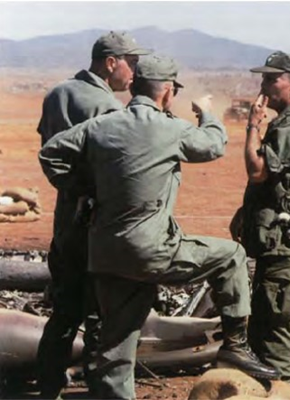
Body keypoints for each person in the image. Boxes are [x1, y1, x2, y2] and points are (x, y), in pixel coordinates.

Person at [39, 55, 279, 400]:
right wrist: (205, 112)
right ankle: (235, 345)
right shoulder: (168, 129)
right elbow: (213, 143)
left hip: (106, 253)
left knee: (117, 344)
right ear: (167, 92)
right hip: (153, 250)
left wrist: (86, 188)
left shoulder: (101, 125)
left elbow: (50, 153)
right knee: (232, 255)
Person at [36, 31, 150, 399]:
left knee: (64, 312)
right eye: (130, 63)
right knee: (103, 313)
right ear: (110, 62)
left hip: (66, 219)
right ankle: (102, 389)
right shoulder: (111, 109)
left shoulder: (58, 94)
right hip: (97, 223)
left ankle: (49, 386)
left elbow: (50, 152)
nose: (134, 71)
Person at [231, 51, 290, 388]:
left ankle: (283, 389)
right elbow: (277, 183)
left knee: (273, 322)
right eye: (264, 78)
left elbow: (257, 170)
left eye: (273, 79)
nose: (264, 85)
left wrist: (252, 125)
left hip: (285, 240)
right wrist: (248, 211)